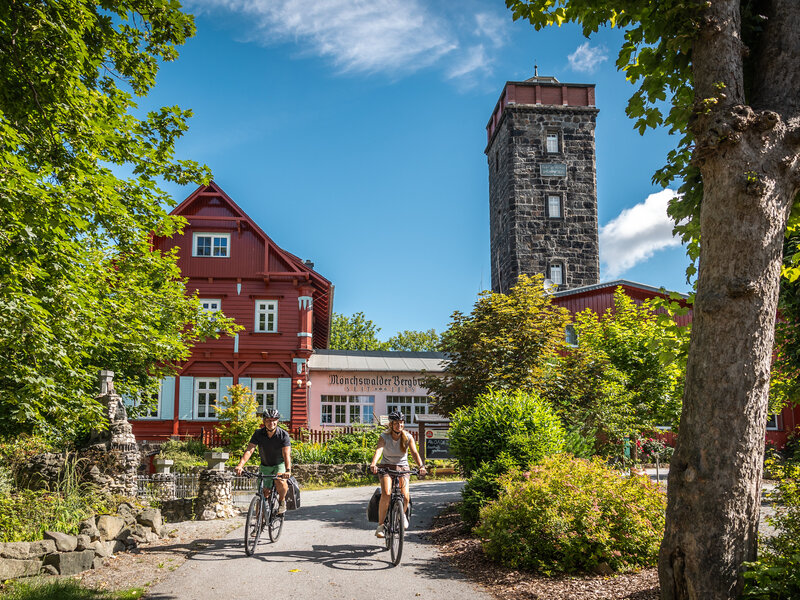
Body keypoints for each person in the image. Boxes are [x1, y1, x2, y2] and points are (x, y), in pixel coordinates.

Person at [369, 411, 427, 538]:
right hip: (386, 468)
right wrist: (374, 464)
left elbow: (415, 453)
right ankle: (380, 526)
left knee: (405, 497)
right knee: (387, 493)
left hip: (403, 468)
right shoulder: (384, 436)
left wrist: (421, 466)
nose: (399, 425)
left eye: (401, 423)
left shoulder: (408, 437)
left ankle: (403, 515)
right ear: (391, 424)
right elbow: (379, 450)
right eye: (396, 423)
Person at [235, 408, 292, 515]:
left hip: (279, 464)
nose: (271, 423)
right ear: (264, 421)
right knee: (263, 495)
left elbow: (286, 454)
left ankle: (282, 501)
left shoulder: (283, 435)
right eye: (268, 420)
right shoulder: (258, 433)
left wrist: (288, 470)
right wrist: (240, 465)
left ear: (277, 421)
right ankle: (258, 525)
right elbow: (249, 450)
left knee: (280, 480)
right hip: (265, 466)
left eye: (274, 420)